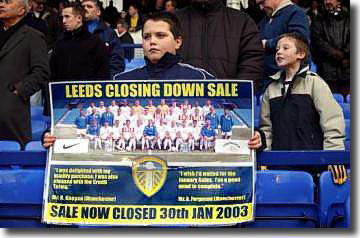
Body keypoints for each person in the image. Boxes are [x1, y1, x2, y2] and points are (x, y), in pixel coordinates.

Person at [248, 32, 347, 184]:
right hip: (279, 166)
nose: (279, 52)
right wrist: (265, 158)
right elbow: (266, 129)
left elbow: (332, 121)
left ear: (300, 54)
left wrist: (333, 156)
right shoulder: (270, 89)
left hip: (313, 166)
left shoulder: (314, 83)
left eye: (285, 48)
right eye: (277, 50)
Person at [175, 0, 263, 88]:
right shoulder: (171, 21)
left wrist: (234, 97)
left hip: (229, 99)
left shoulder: (242, 22)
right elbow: (163, 63)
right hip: (178, 99)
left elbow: (252, 66)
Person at [0, 0, 50, 149]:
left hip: (12, 112)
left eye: (8, 2)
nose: (2, 4)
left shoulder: (33, 36)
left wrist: (19, 91)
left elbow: (42, 72)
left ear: (22, 11)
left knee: (15, 162)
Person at [115, 11, 215, 80]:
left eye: (160, 35)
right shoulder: (122, 81)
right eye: (146, 37)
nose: (152, 41)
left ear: (178, 42)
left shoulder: (200, 78)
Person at [256, 0, 310, 88]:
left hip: (291, 83)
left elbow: (299, 38)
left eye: (262, 2)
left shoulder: (295, 13)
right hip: (268, 81)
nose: (261, 8)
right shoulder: (265, 20)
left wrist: (267, 44)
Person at [311, 0, 349, 95]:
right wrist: (336, 54)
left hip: (348, 68)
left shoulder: (351, 17)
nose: (327, 1)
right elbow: (317, 41)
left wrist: (346, 54)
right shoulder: (318, 20)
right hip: (326, 70)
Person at [81, 0, 125, 78]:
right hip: (77, 84)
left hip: (102, 83)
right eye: (83, 6)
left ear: (98, 12)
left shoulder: (109, 34)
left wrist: (108, 81)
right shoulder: (73, 33)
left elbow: (117, 62)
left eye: (89, 6)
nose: (85, 8)